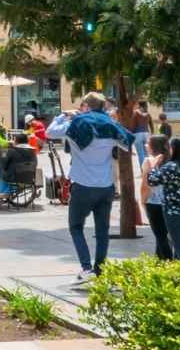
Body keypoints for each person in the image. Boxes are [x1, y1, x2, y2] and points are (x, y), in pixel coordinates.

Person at [46, 92, 135, 283]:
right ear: (103, 106)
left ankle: (86, 268)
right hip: (106, 187)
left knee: (76, 226)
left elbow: (50, 132)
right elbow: (127, 143)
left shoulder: (76, 124)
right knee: (102, 230)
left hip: (83, 186)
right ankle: (99, 269)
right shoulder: (109, 125)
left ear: (85, 106)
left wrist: (64, 115)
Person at [139, 134, 172, 260]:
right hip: (170, 202)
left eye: (148, 143)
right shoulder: (171, 160)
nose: (146, 145)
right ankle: (159, 261)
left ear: (153, 146)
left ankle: (168, 261)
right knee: (163, 233)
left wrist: (143, 200)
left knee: (160, 235)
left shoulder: (148, 161)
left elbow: (145, 185)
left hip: (153, 202)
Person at [130, 101, 151, 165]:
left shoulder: (135, 112)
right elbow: (151, 124)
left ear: (139, 105)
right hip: (146, 133)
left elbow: (133, 124)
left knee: (140, 154)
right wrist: (151, 133)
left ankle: (143, 170)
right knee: (146, 153)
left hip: (137, 133)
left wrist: (130, 133)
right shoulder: (148, 113)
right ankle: (149, 170)